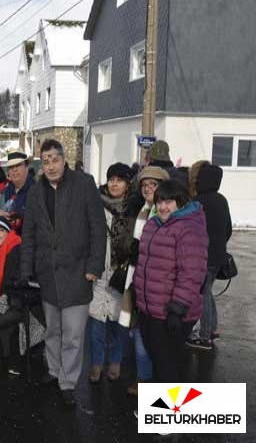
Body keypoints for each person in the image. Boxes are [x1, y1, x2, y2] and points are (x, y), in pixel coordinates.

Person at [20, 139, 106, 407]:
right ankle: (54, 370)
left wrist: (94, 267)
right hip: (48, 275)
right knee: (53, 330)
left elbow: (98, 228)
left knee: (73, 334)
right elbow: (29, 233)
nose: (50, 166)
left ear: (63, 159)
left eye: (55, 159)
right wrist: (26, 270)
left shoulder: (84, 184)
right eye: (45, 161)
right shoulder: (36, 191)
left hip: (78, 274)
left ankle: (68, 382)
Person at [133, 179, 208, 383]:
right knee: (158, 360)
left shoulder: (189, 228)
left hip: (171, 311)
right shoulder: (153, 224)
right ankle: (162, 410)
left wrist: (177, 309)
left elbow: (192, 273)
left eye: (169, 202)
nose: (163, 207)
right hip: (151, 308)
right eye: (159, 201)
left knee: (166, 364)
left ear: (181, 202)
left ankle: (166, 412)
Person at [123, 165, 168, 396]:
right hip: (140, 280)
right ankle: (143, 378)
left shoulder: (165, 212)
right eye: (144, 185)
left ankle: (160, 388)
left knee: (158, 339)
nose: (148, 188)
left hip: (160, 285)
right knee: (139, 332)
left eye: (153, 184)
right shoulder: (142, 209)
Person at [88, 163, 134, 384]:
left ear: (127, 183)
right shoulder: (96, 203)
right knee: (96, 323)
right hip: (98, 272)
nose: (114, 183)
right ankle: (96, 364)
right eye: (111, 179)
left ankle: (115, 361)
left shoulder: (134, 207)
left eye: (120, 179)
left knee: (119, 323)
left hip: (122, 275)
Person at [186, 162, 232, 350]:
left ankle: (204, 337)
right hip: (217, 257)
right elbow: (228, 229)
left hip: (203, 257)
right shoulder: (222, 199)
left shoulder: (198, 202)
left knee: (202, 294)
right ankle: (212, 330)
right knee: (207, 292)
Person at [0, 216, 26, 375]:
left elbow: (15, 281)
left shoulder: (15, 247)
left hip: (20, 301)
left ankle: (13, 359)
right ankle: (4, 357)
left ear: (7, 231)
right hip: (6, 298)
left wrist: (1, 303)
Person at [0, 152, 34, 235]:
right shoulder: (4, 192)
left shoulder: (37, 190)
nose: (14, 170)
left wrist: (13, 216)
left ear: (27, 167)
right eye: (11, 167)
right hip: (9, 243)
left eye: (18, 165)